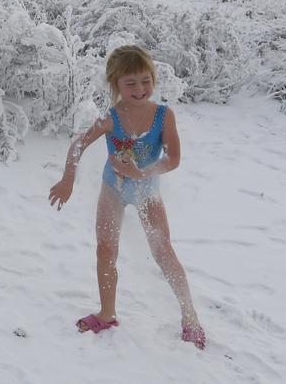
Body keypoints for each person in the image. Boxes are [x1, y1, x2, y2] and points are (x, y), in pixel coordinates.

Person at [48, 45, 206, 349]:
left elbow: (173, 159)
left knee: (163, 251)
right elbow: (78, 145)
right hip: (113, 191)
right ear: (115, 84)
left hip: (148, 193)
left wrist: (141, 174)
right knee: (105, 250)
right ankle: (107, 314)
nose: (139, 89)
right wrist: (68, 178)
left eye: (145, 81)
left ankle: (190, 316)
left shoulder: (163, 115)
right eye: (130, 83)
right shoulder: (111, 117)